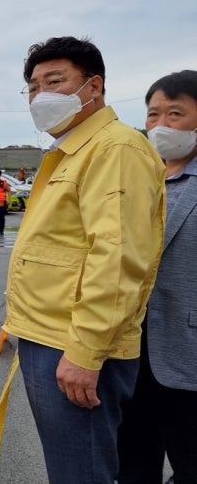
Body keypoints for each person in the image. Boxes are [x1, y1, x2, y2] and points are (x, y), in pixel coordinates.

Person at [3, 36, 165, 484]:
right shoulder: (73, 150)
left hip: (73, 346)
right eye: (33, 87)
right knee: (70, 466)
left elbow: (117, 259)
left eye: (55, 81)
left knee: (82, 471)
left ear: (93, 86)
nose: (40, 96)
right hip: (51, 333)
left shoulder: (114, 149)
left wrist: (86, 352)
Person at [117, 70, 197, 484]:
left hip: (188, 354)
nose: (161, 124)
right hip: (131, 349)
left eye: (176, 113)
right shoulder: (138, 179)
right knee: (132, 458)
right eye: (153, 114)